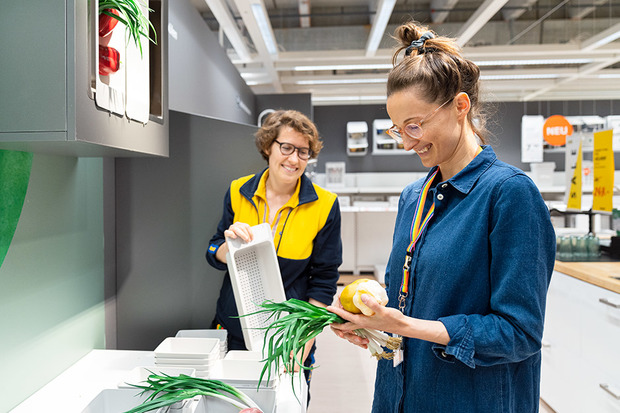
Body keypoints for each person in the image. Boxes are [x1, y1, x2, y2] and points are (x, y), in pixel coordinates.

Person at [328, 22, 556, 413]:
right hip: (399, 394)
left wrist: (405, 327)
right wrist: (377, 326)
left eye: (415, 125)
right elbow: (410, 299)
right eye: (397, 130)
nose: (406, 142)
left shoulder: (509, 194)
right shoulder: (413, 197)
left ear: (460, 106)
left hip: (469, 399)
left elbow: (519, 332)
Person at [205, 109, 342, 387]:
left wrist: (303, 343)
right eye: (287, 147)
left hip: (288, 336)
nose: (294, 159)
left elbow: (324, 281)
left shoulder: (325, 204)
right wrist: (229, 248)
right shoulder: (238, 190)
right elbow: (213, 248)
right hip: (232, 328)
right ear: (269, 147)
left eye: (303, 152)